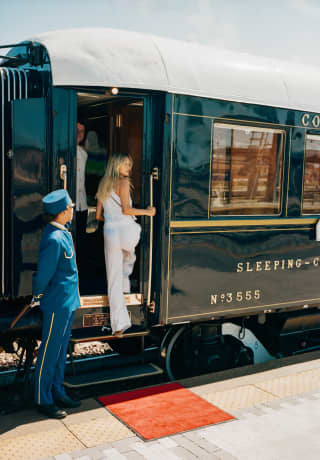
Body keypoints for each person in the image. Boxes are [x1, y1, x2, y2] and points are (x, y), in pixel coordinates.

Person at [32, 189, 81, 419]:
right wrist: (37, 294)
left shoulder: (63, 233)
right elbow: (43, 275)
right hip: (56, 304)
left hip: (67, 302)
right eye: (70, 206)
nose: (73, 208)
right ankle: (43, 398)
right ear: (62, 212)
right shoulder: (53, 238)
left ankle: (58, 391)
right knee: (49, 352)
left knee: (60, 351)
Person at [96, 153, 155, 336]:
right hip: (125, 230)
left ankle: (118, 326)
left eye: (130, 164)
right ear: (117, 166)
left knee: (113, 277)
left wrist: (110, 219)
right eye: (126, 165)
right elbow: (126, 209)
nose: (129, 168)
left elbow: (98, 215)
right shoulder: (123, 182)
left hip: (109, 231)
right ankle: (127, 291)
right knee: (128, 260)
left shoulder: (103, 184)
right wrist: (147, 212)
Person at [76, 122, 88, 250]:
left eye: (82, 131)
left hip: (82, 204)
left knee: (81, 241)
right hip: (69, 204)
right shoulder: (64, 151)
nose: (79, 134)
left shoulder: (84, 154)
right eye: (76, 130)